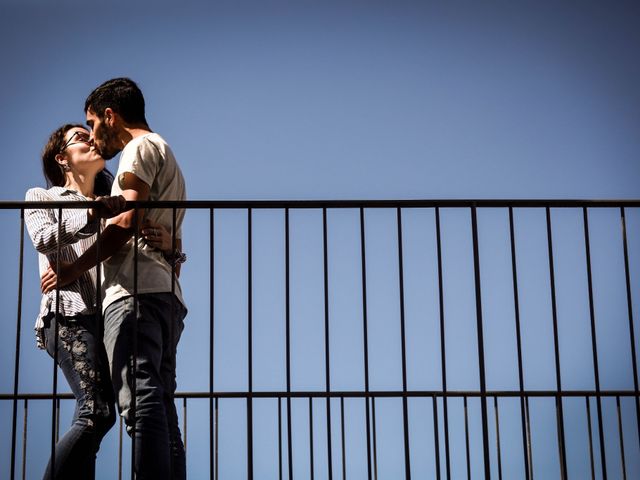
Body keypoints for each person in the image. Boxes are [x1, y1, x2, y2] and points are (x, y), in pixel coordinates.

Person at [41, 78, 188, 480]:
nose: (92, 134)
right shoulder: (166, 152)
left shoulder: (137, 149)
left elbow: (127, 221)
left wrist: (71, 268)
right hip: (167, 295)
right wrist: (175, 247)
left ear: (110, 116)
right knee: (162, 404)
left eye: (92, 122)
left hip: (134, 294)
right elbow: (166, 237)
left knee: (140, 404)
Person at [25, 124, 122, 479]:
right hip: (67, 315)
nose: (91, 140)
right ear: (62, 158)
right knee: (97, 411)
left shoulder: (113, 205)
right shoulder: (42, 196)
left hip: (107, 322)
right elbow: (43, 238)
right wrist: (92, 214)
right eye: (81, 137)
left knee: (91, 418)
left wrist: (170, 251)